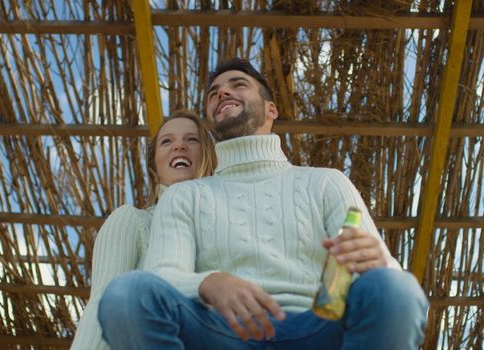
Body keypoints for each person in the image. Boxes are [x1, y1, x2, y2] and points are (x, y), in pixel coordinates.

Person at [98, 58, 429, 349]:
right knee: (127, 294)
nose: (222, 93)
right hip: (220, 334)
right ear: (212, 119)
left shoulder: (326, 182)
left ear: (272, 109)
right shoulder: (188, 195)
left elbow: (390, 287)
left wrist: (380, 262)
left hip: (318, 328)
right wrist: (209, 282)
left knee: (395, 288)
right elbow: (162, 276)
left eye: (237, 85)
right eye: (214, 93)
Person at [70, 110, 217, 350]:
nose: (179, 146)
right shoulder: (132, 220)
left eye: (192, 139)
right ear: (155, 164)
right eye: (167, 141)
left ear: (208, 155)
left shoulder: (226, 233)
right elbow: (102, 303)